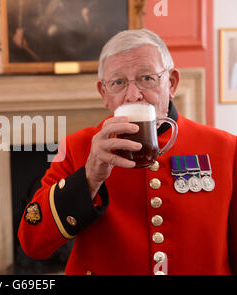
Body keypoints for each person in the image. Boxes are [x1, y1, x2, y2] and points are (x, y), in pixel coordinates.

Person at [18, 29, 237, 275]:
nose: (133, 95)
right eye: (118, 83)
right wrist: (89, 178)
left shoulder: (226, 148)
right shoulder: (75, 147)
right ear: (104, 94)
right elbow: (32, 243)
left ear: (172, 83)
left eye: (147, 78)